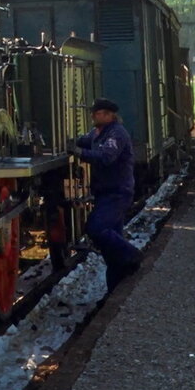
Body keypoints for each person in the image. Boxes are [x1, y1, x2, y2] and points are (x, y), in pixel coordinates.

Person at [70, 97, 143, 291]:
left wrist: (79, 152)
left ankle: (132, 255)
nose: (93, 116)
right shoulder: (98, 133)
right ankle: (116, 286)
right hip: (106, 191)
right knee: (112, 247)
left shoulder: (116, 134)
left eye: (97, 113)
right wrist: (69, 142)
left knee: (96, 228)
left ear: (109, 115)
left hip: (117, 192)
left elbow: (106, 157)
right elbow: (84, 141)